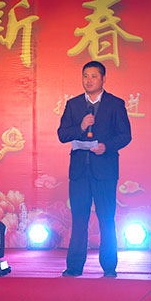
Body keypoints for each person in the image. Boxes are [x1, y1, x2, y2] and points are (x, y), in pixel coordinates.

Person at [57, 61, 132, 277]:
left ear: (103, 79)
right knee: (79, 219)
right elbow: (62, 134)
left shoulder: (115, 104)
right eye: (85, 76)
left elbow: (125, 135)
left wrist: (107, 146)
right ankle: (74, 267)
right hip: (79, 173)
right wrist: (80, 126)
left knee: (106, 219)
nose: (89, 81)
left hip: (105, 172)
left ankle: (109, 267)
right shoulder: (73, 105)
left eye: (93, 76)